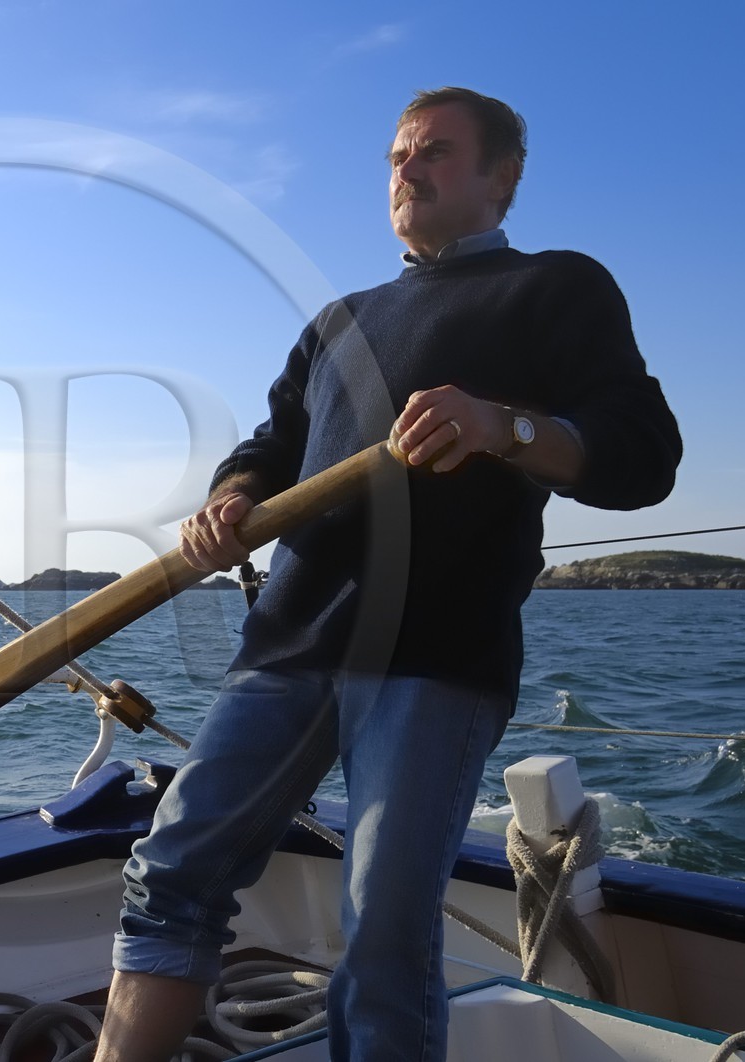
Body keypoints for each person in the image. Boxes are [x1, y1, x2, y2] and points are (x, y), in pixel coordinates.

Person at [94, 87, 682, 1062]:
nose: (406, 169)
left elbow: (643, 453)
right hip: (288, 644)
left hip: (434, 655)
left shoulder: (557, 286)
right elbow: (270, 445)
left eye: (436, 153)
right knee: (172, 870)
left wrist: (509, 428)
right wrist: (231, 497)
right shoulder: (339, 320)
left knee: (382, 930)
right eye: (398, 154)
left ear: (501, 178)